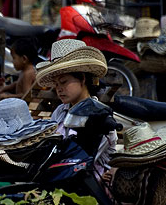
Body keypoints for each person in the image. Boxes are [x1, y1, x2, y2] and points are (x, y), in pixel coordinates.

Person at [35, 39, 117, 183]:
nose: (59, 89)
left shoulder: (99, 115)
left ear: (82, 79)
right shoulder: (60, 111)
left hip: (89, 188)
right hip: (59, 178)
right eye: (56, 84)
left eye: (64, 81)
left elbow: (82, 160)